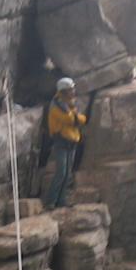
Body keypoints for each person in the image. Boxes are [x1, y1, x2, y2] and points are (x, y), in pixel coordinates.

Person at [44, 77, 86, 208]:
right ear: (63, 91)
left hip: (71, 141)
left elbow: (83, 119)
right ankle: (51, 201)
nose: (73, 92)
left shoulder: (70, 104)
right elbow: (70, 120)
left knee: (67, 174)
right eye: (70, 90)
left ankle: (62, 200)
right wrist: (76, 117)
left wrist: (76, 117)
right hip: (61, 142)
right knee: (61, 172)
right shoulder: (57, 105)